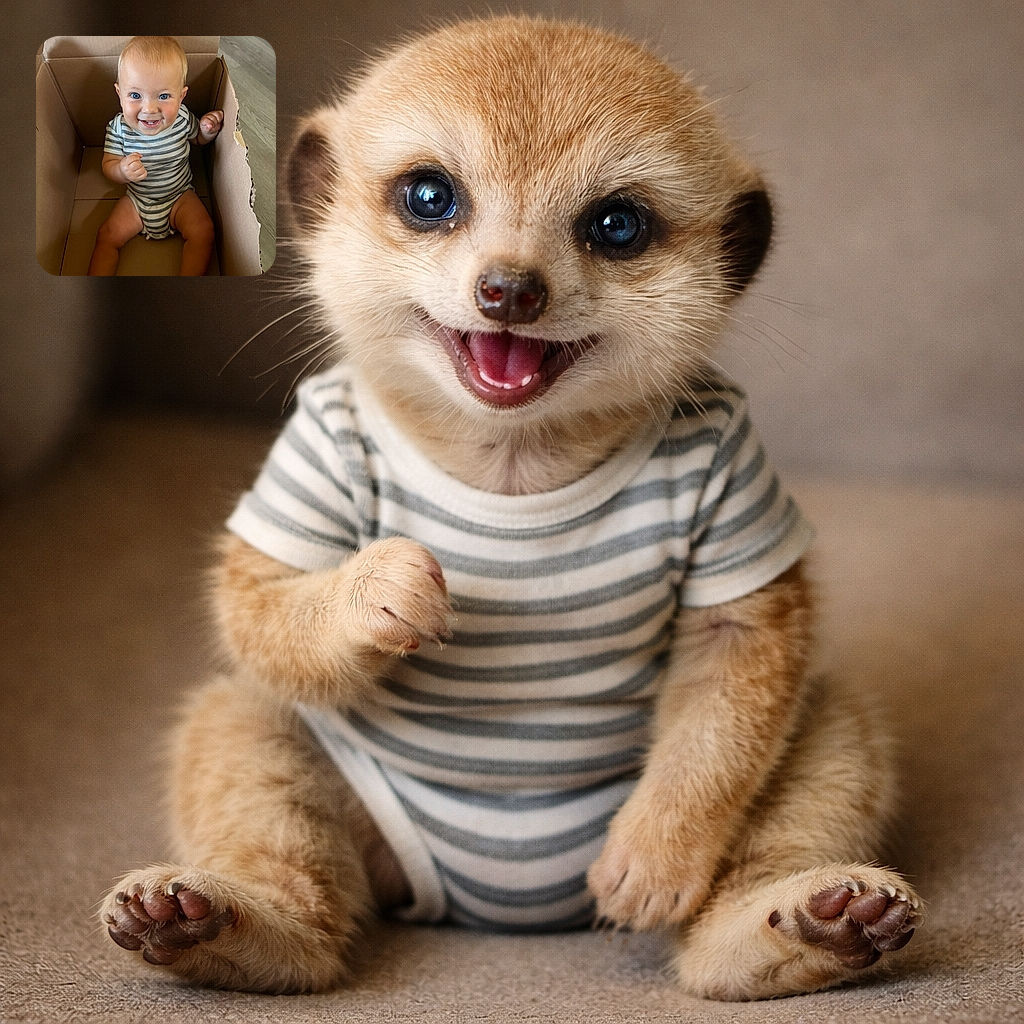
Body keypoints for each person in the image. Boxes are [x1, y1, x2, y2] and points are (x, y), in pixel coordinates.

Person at [87, 36, 223, 276]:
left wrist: (207, 129)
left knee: (204, 231)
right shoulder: (118, 128)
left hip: (180, 196)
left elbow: (198, 140)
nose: (149, 109)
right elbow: (108, 165)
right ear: (119, 93)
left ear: (181, 96)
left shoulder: (181, 118)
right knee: (106, 236)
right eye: (135, 96)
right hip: (138, 200)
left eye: (163, 96)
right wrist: (121, 170)